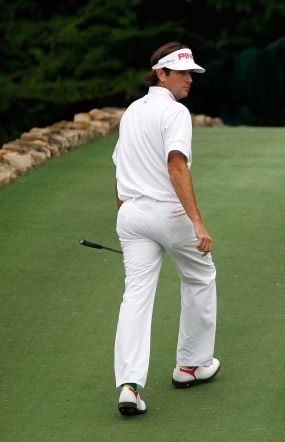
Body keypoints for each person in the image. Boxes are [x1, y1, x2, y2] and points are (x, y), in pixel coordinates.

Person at [112, 41, 220, 416]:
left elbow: (118, 167)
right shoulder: (175, 113)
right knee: (200, 276)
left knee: (136, 297)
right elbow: (177, 166)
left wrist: (123, 215)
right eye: (183, 72)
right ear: (161, 73)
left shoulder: (131, 112)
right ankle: (190, 365)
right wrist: (197, 222)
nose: (190, 79)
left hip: (132, 215)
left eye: (192, 73)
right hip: (168, 214)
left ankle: (129, 385)